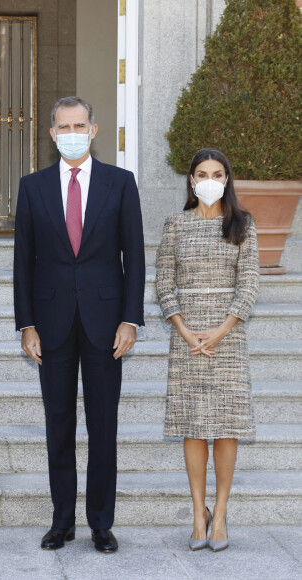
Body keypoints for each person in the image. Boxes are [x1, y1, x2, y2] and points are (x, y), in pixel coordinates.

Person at [14, 96, 145, 553]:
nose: (71, 132)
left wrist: (131, 318)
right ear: (52, 133)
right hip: (50, 324)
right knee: (58, 425)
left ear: (94, 129)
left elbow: (135, 255)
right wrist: (26, 324)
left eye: (80, 124)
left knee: (103, 426)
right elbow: (23, 261)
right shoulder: (31, 187)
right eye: (63, 125)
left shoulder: (121, 183)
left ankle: (101, 524)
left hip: (107, 324)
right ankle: (62, 521)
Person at [155, 148, 259, 552]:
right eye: (202, 173)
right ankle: (199, 514)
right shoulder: (175, 225)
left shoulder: (243, 225)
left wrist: (220, 330)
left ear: (227, 179)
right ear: (192, 180)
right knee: (192, 426)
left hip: (227, 337)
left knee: (227, 427)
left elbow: (249, 285)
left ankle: (221, 511)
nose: (210, 179)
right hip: (187, 338)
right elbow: (164, 282)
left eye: (218, 173)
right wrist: (184, 330)